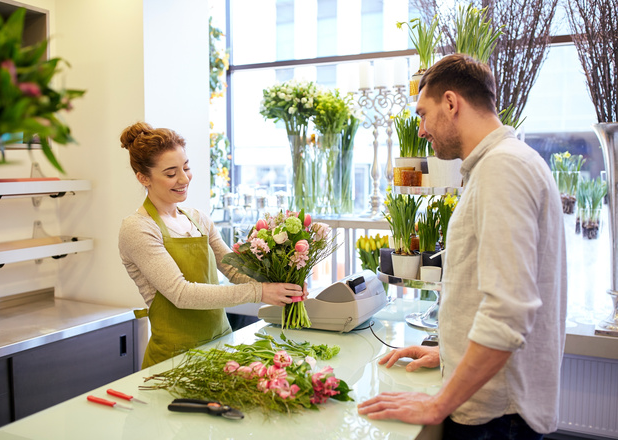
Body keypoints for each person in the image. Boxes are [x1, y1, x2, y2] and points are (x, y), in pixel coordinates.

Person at [358, 54, 567, 440]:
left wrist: (437, 405)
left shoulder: (502, 169)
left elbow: (507, 313)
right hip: (494, 403)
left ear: (451, 103)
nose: (420, 129)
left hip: (496, 419)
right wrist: (449, 353)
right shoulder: (501, 164)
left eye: (423, 114)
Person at [118, 122, 306, 368]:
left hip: (222, 346)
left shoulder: (197, 219)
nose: (184, 179)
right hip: (175, 360)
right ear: (144, 177)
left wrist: (284, 283)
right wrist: (260, 292)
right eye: (171, 173)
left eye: (186, 167)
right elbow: (181, 294)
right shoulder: (138, 228)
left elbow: (233, 269)